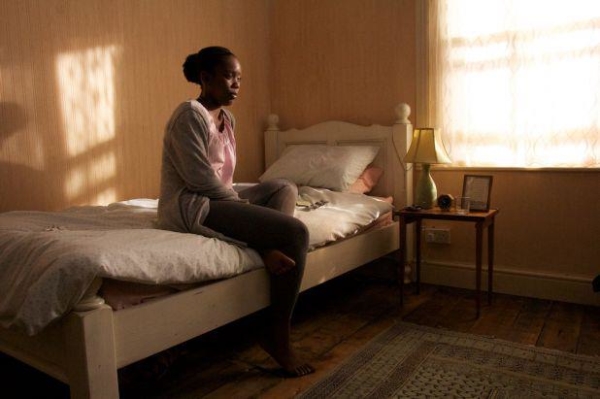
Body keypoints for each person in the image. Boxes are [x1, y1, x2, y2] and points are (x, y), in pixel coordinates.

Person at [157, 46, 314, 377]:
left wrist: (240, 205)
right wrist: (242, 208)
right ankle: (278, 334)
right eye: (229, 76)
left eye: (239, 78)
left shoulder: (227, 118)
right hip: (192, 203)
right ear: (205, 78)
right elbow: (199, 179)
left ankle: (265, 246)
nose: (237, 84)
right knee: (296, 232)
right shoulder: (189, 115)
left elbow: (224, 177)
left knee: (285, 187)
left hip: (220, 198)